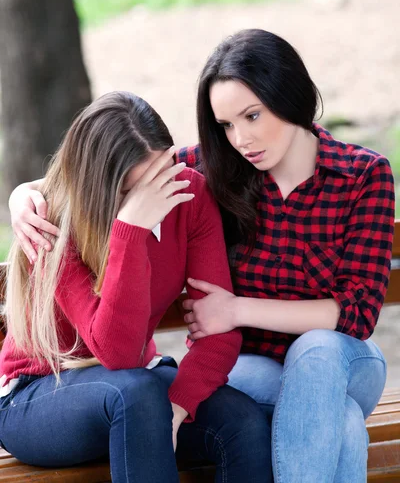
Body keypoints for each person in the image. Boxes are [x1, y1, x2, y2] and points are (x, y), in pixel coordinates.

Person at [9, 30, 395, 482]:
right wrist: (27, 195)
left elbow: (358, 313)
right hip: (67, 386)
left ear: (290, 96)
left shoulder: (357, 175)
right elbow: (89, 181)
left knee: (298, 369)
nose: (242, 138)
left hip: (337, 359)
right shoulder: (206, 171)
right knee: (340, 420)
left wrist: (233, 312)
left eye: (252, 116)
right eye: (227, 125)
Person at [0, 91, 272, 483]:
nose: (161, 193)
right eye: (140, 189)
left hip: (135, 388)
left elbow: (218, 334)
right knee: (135, 393)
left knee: (242, 421)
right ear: (103, 187)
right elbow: (119, 354)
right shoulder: (52, 221)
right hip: (37, 395)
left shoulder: (188, 195)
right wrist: (132, 231)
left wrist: (177, 410)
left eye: (164, 172)